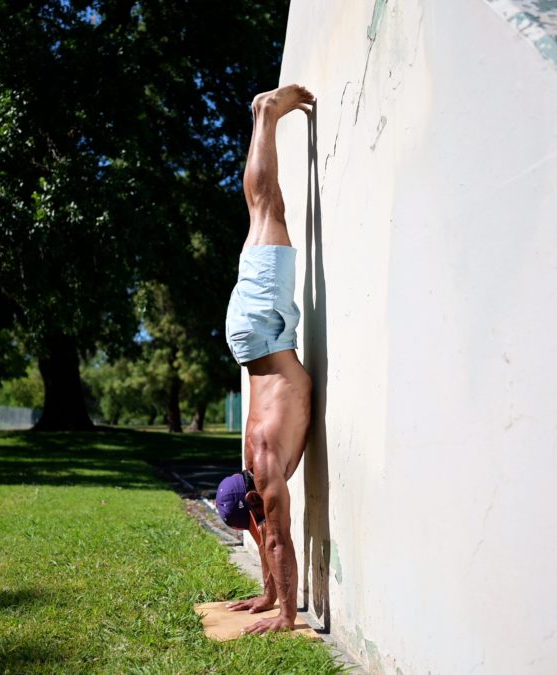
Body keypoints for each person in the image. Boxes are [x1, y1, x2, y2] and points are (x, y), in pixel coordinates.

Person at [215, 84, 315, 635]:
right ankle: (263, 117)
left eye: (255, 510)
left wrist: (285, 615)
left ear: (252, 494)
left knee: (265, 206)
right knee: (263, 210)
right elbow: (266, 529)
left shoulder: (266, 462)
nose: (261, 518)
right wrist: (266, 591)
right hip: (254, 337)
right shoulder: (251, 467)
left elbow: (276, 535)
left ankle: (265, 113)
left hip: (262, 329)